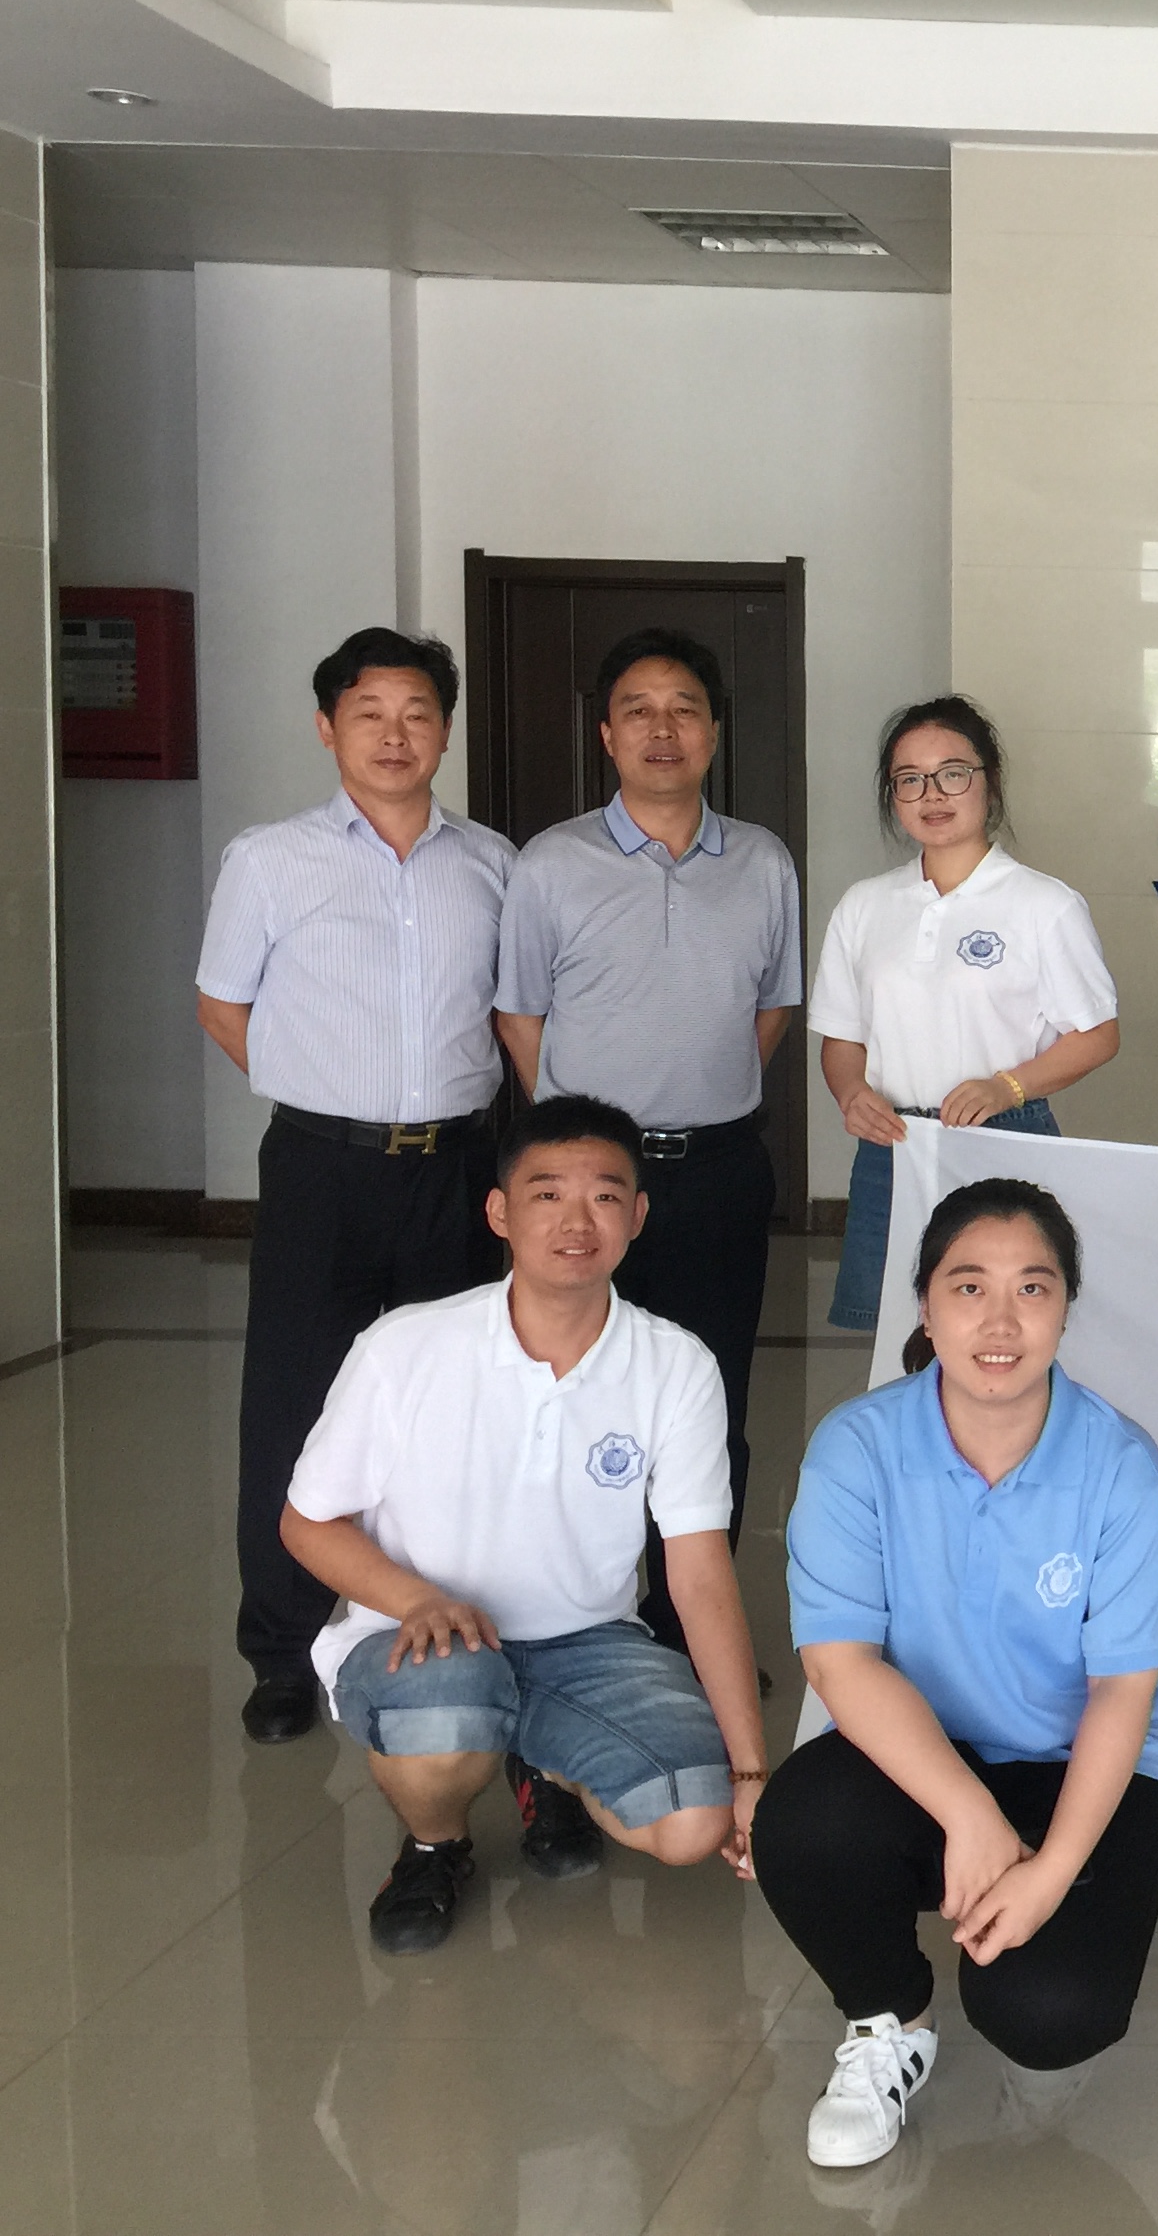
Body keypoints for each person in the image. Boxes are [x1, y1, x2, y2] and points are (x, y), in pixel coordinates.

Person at [755, 1178, 1158, 2173]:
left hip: (1079, 1765)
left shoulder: (1121, 1466)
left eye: (1032, 1288)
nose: (1000, 1321)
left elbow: (1123, 1691)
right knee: (804, 1824)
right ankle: (888, 2018)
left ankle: (1026, 1954)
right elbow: (839, 1661)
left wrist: (1050, 1872)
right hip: (922, 1756)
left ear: (1065, 1309)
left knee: (1051, 2013)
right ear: (925, 1305)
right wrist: (970, 1816)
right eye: (969, 1287)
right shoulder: (857, 1448)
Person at [279, 1095, 769, 1955]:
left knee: (693, 1823)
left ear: (638, 1216)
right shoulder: (406, 1346)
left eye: (605, 1196)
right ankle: (436, 1846)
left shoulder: (676, 1364)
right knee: (446, 1716)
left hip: (588, 1642)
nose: (577, 1222)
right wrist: (416, 1600)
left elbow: (698, 1576)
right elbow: (307, 1521)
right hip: (422, 1635)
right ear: (499, 1212)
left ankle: (542, 1760)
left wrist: (752, 1770)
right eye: (547, 1195)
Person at [197, 627, 517, 1746]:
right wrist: (327, 1095)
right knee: (292, 1405)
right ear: (328, 727)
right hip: (319, 1172)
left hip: (457, 1169)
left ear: (446, 731)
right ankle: (282, 1653)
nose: (394, 734)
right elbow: (223, 1005)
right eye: (369, 712)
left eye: (418, 712)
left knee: (451, 1406)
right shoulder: (270, 860)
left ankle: (443, 1624)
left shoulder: (493, 865)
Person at [496, 628, 804, 1645]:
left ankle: (686, 1636)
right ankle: (574, 1625)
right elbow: (520, 1015)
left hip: (718, 1173)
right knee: (575, 1395)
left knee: (710, 1402)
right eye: (638, 710)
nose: (661, 729)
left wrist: (696, 1094)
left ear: (714, 732)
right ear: (606, 734)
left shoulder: (761, 861)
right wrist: (584, 1150)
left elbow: (771, 1009)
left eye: (684, 709)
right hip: (591, 1187)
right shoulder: (552, 863)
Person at [812, 697, 1119, 1335]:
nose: (932, 794)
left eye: (953, 773)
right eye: (910, 779)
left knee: (1006, 1325)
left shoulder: (1044, 905)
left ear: (989, 780)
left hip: (1004, 1138)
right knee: (895, 1333)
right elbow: (843, 1038)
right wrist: (851, 1094)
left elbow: (1097, 1036)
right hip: (893, 1145)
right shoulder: (865, 906)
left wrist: (1007, 1087)